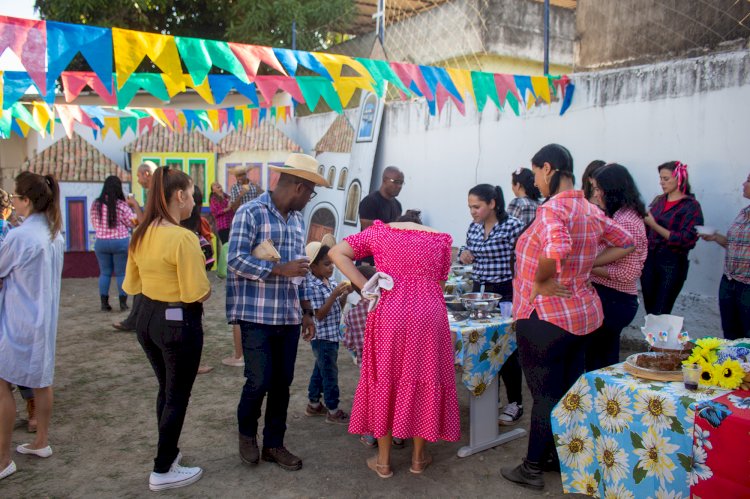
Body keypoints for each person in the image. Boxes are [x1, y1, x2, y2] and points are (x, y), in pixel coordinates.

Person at [500, 144, 634, 491]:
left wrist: (543, 280)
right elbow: (627, 241)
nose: (536, 182)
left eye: (536, 174)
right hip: (583, 315)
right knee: (566, 393)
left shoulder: (551, 210)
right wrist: (587, 266)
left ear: (548, 169)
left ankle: (531, 467)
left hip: (544, 316)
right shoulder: (590, 209)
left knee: (544, 395)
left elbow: (556, 249)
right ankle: (559, 459)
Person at [329, 219, 461, 478]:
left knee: (385, 380)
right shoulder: (441, 239)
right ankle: (418, 459)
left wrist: (367, 287)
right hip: (428, 313)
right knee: (426, 377)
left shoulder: (379, 232)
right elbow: (441, 285)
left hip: (389, 312)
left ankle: (384, 461)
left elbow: (336, 252)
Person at [227, 153, 327, 472]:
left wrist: (308, 311)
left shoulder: (297, 221)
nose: (310, 198)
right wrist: (276, 269)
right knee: (258, 381)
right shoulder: (251, 213)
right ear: (298, 187)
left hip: (288, 317)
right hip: (255, 316)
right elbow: (234, 259)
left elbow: (302, 271)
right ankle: (247, 435)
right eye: (311, 191)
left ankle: (274, 443)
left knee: (282, 383)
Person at [122, 166, 211, 491]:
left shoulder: (141, 233)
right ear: (180, 196)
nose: (193, 202)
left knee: (167, 390)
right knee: (176, 395)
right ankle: (162, 469)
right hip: (177, 323)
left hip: (146, 318)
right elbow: (196, 293)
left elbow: (132, 284)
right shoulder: (183, 238)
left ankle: (168, 454)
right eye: (191, 194)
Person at [0, 172, 65, 481]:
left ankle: (2, 459)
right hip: (44, 320)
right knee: (41, 380)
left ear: (26, 201)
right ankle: (41, 441)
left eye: (15, 197)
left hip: (19, 319)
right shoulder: (55, 234)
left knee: (2, 385)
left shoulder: (20, 236)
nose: (12, 201)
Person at [458, 184, 526, 425]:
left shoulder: (513, 226)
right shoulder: (474, 227)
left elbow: (524, 258)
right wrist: (463, 254)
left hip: (505, 291)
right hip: (480, 292)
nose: (473, 212)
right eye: (470, 207)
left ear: (492, 204)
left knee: (506, 347)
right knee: (482, 343)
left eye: (477, 206)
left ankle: (515, 402)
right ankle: (489, 396)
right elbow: (467, 248)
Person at [586, 164, 648, 371]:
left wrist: (586, 267)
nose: (595, 194)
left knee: (601, 361)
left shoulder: (626, 220)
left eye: (597, 189)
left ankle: (604, 400)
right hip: (610, 297)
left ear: (611, 190)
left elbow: (627, 273)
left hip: (614, 298)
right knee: (600, 356)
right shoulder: (620, 215)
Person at [641, 161, 704, 315]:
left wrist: (654, 225)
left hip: (672, 262)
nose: (662, 182)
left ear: (679, 179)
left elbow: (686, 239)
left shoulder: (691, 206)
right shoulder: (658, 201)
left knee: (661, 309)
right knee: (650, 309)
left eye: (666, 179)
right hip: (650, 259)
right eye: (661, 178)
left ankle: (660, 339)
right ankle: (653, 338)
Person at [302, 238, 351, 425]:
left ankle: (314, 404)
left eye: (331, 263)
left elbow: (336, 307)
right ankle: (333, 409)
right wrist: (333, 295)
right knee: (329, 373)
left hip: (331, 335)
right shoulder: (312, 286)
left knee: (320, 369)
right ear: (313, 266)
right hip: (322, 337)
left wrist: (343, 295)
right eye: (326, 264)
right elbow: (319, 315)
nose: (331, 267)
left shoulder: (328, 281)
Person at [700, 172, 750, 339]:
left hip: (747, 285)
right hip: (730, 281)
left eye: (748, 180)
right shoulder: (744, 213)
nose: (743, 183)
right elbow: (734, 244)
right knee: (730, 334)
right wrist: (715, 237)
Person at [114, 160, 157, 331]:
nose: (137, 180)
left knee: (142, 280)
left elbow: (144, 221)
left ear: (146, 174)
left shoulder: (154, 191)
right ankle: (137, 319)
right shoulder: (153, 191)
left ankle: (136, 320)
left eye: (138, 176)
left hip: (152, 240)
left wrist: (134, 205)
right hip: (153, 239)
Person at [180, 185, 215, 375]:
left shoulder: (168, 226)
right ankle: (193, 364)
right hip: (193, 286)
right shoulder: (198, 226)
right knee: (192, 326)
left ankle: (184, 363)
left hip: (172, 289)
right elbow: (209, 260)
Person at [91, 176, 135, 312]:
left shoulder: (96, 204)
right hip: (120, 242)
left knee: (104, 273)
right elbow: (133, 222)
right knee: (121, 273)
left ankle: (104, 304)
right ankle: (123, 303)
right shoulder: (122, 205)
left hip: (101, 242)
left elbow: (94, 222)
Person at [359, 166, 404, 232]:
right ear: (384, 180)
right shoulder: (370, 202)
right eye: (396, 182)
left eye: (401, 183)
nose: (399, 186)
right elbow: (368, 232)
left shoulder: (397, 205)